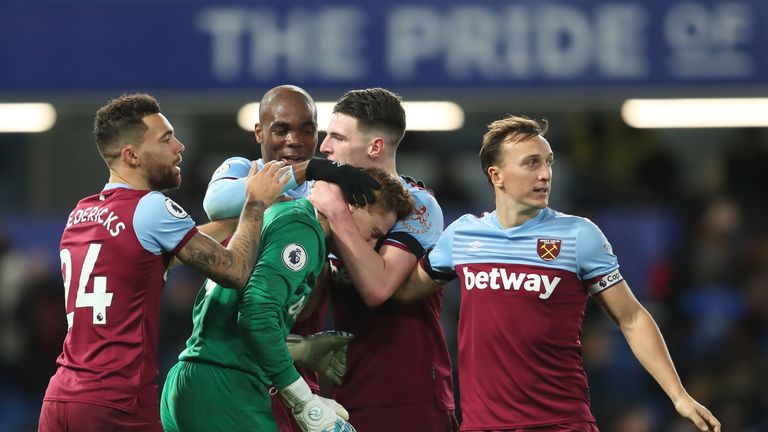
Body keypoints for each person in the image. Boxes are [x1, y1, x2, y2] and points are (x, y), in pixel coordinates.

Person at [393, 115, 722, 432]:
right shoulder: (462, 235)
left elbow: (631, 318)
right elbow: (402, 291)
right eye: (531, 163)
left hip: (560, 423)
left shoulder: (579, 235)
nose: (546, 174)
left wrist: (679, 396)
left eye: (548, 162)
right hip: (482, 425)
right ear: (497, 176)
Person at [38, 93, 291, 432]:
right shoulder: (152, 207)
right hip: (116, 403)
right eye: (166, 138)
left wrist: (243, 216)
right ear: (132, 156)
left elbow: (159, 254)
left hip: (61, 399)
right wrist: (256, 203)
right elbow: (235, 271)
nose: (180, 146)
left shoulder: (81, 212)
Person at [159, 169, 415, 432]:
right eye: (374, 232)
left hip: (196, 379)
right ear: (353, 205)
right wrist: (302, 400)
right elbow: (256, 315)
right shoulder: (303, 230)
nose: (371, 245)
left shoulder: (283, 216)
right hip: (226, 389)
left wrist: (301, 357)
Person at [201, 84, 372, 431]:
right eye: (281, 130)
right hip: (235, 364)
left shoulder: (329, 189)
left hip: (291, 362)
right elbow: (215, 203)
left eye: (307, 130)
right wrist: (308, 171)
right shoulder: (241, 168)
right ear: (259, 132)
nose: (295, 140)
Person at [311, 88, 457, 431]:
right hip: (346, 395)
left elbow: (378, 288)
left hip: (411, 396)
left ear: (375, 147)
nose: (324, 147)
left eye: (337, 137)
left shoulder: (418, 205)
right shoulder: (329, 200)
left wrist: (335, 212)